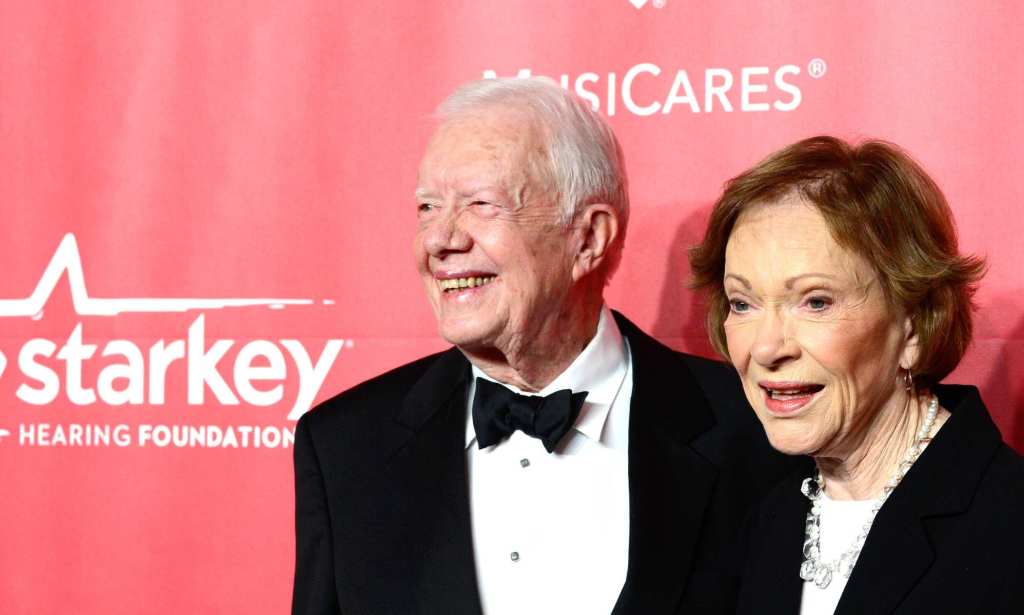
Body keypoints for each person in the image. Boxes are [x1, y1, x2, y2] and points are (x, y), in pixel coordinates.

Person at [291, 77, 797, 615]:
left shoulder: (755, 429)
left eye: (481, 204)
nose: (440, 241)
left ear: (588, 238)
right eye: (426, 208)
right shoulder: (345, 449)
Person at [689, 136, 1024, 614]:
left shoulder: (1009, 523)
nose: (765, 348)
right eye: (742, 303)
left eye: (815, 302)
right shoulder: (764, 516)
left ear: (913, 325)